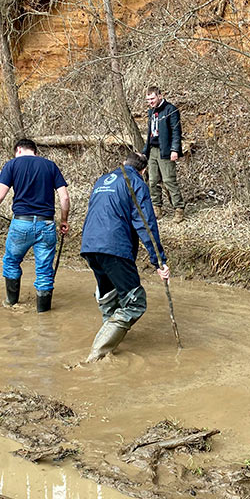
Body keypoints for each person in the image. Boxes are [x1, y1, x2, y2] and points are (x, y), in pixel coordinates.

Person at [80, 151, 171, 362]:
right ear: (144, 170)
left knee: (109, 296)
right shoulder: (135, 183)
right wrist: (159, 261)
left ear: (123, 163)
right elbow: (146, 224)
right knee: (135, 302)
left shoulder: (102, 180)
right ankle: (96, 357)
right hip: (114, 247)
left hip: (90, 245)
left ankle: (110, 349)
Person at [0, 138, 70, 312]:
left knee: (11, 261)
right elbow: (65, 197)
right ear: (34, 150)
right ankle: (43, 314)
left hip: (21, 224)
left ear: (19, 150)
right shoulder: (50, 166)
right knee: (44, 270)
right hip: (46, 224)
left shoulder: (12, 165)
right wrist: (64, 220)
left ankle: (11, 303)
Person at [143, 86, 186, 223]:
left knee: (169, 180)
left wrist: (175, 149)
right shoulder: (151, 112)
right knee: (153, 180)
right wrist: (145, 152)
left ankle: (179, 209)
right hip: (153, 150)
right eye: (148, 99)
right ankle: (157, 208)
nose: (150, 102)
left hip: (166, 149)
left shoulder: (170, 110)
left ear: (160, 96)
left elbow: (176, 131)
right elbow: (150, 133)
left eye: (153, 98)